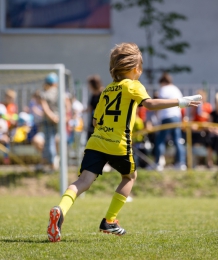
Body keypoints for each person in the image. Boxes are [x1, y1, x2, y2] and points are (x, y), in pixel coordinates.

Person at [46, 42, 201, 242]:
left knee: (83, 181)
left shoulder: (107, 90)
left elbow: (95, 120)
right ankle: (110, 221)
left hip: (96, 141)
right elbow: (150, 104)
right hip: (118, 143)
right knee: (129, 177)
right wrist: (181, 101)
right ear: (137, 69)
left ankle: (60, 209)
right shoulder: (134, 85)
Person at [154, 72, 187, 171]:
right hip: (176, 117)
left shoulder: (163, 89)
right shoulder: (176, 89)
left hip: (166, 117)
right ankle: (181, 163)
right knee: (178, 140)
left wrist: (157, 118)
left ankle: (158, 163)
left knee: (160, 140)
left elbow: (158, 104)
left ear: (163, 82)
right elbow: (182, 104)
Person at [39, 72, 60, 172]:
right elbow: (67, 106)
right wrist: (60, 118)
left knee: (50, 142)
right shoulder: (61, 92)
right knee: (59, 141)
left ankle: (52, 165)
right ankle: (55, 162)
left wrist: (52, 117)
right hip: (60, 120)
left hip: (49, 120)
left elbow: (45, 108)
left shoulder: (44, 93)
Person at [84, 75, 104, 140]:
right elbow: (90, 108)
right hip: (93, 121)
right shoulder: (93, 95)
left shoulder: (103, 93)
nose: (89, 87)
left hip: (101, 122)